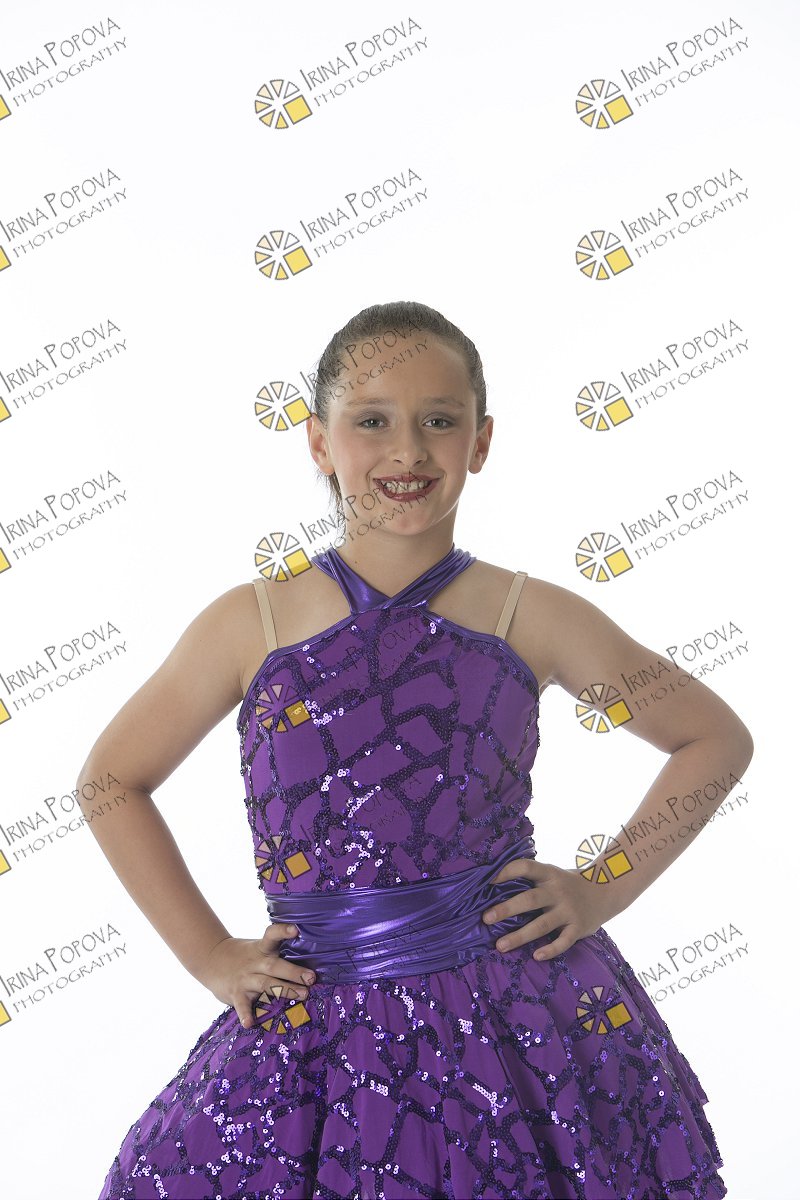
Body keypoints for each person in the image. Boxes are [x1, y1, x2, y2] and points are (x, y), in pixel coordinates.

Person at [81, 300, 751, 1199]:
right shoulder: (251, 624)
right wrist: (210, 955)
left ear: (481, 441)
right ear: (319, 442)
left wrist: (604, 885)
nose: (407, 451)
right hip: (318, 1020)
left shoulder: (530, 616)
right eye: (372, 422)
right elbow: (111, 781)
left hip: (522, 1020)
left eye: (440, 421)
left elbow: (712, 738)